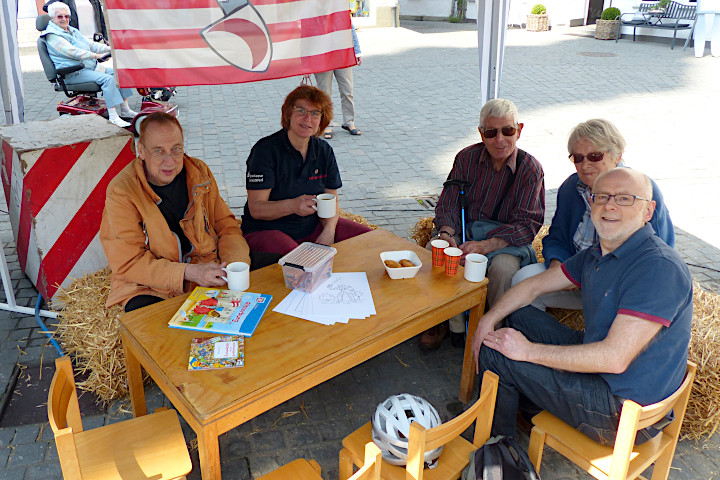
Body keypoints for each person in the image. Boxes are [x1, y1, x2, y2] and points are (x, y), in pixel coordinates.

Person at [472, 168, 692, 445]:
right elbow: (533, 286)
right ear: (591, 204)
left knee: (499, 356)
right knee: (518, 315)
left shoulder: (658, 267)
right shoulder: (599, 253)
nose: (609, 205)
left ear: (648, 211)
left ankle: (496, 455)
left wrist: (526, 351)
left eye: (625, 198)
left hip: (622, 412)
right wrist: (487, 319)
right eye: (601, 197)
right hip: (607, 371)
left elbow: (613, 358)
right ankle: (528, 407)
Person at [511, 119, 675, 311]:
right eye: (578, 158)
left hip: (619, 283)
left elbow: (660, 250)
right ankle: (546, 336)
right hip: (575, 273)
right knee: (522, 280)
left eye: (595, 156)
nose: (585, 164)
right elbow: (557, 237)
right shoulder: (572, 188)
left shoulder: (641, 191)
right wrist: (558, 267)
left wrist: (597, 279)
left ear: (617, 156)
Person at [420, 98, 545, 350]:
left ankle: (496, 334)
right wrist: (446, 232)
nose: (500, 139)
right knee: (435, 252)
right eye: (491, 132)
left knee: (503, 269)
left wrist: (485, 245)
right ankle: (440, 319)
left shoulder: (530, 169)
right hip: (465, 231)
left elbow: (528, 224)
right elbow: (449, 201)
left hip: (504, 241)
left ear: (519, 130)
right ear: (481, 133)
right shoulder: (466, 158)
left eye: (507, 131)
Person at [100, 112, 250, 311]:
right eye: (159, 151)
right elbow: (128, 263)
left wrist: (233, 265)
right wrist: (188, 272)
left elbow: (227, 226)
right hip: (151, 286)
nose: (170, 161)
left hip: (207, 268)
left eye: (176, 149)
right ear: (141, 151)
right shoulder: (122, 191)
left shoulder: (199, 171)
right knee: (153, 326)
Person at [241, 85, 372, 256]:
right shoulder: (265, 151)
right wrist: (292, 206)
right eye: (301, 110)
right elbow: (256, 209)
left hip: (313, 228)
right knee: (301, 261)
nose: (307, 118)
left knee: (370, 240)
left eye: (315, 113)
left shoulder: (324, 151)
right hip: (267, 230)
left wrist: (329, 231)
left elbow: (332, 201)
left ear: (322, 120)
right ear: (288, 113)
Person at [42, 2, 137, 127]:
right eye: (60, 16)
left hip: (88, 68)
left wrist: (111, 48)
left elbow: (91, 45)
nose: (64, 19)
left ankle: (125, 110)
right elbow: (73, 52)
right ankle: (113, 116)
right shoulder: (52, 36)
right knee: (108, 80)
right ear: (52, 18)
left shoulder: (72, 30)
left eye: (67, 16)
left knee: (120, 73)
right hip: (72, 73)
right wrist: (96, 56)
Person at [314, 23, 362, 138]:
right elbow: (308, 35)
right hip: (322, 56)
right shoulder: (315, 9)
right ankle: (327, 125)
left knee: (347, 90)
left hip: (342, 55)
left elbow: (350, 29)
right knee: (324, 94)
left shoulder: (340, 7)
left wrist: (357, 51)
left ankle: (349, 122)